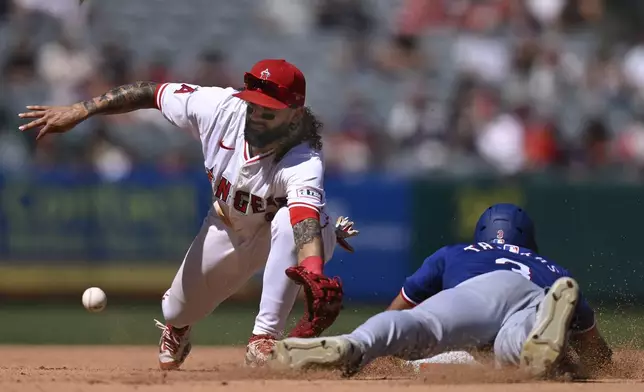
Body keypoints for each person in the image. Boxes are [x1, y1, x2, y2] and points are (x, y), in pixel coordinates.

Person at [18, 59, 359, 369]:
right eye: (253, 104)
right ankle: (179, 329)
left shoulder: (304, 157)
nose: (256, 115)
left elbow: (302, 219)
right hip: (228, 225)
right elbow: (151, 92)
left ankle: (263, 339)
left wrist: (313, 271)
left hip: (292, 232)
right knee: (176, 310)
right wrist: (82, 109)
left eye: (268, 111)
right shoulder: (217, 107)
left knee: (286, 222)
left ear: (295, 115)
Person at [268, 203, 613, 378]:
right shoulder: (553, 269)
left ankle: (354, 344)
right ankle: (535, 336)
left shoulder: (456, 253)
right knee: (514, 344)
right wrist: (580, 365)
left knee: (422, 325)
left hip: (475, 291)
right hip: (535, 294)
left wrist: (384, 349)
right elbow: (596, 353)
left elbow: (397, 311)